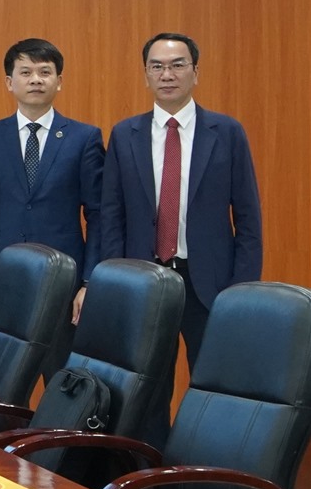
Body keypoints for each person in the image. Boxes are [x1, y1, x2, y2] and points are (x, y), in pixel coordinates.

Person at [103, 33, 262, 374]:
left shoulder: (227, 132)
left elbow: (248, 217)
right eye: (157, 67)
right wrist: (117, 279)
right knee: (145, 385)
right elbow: (112, 215)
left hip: (209, 284)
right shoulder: (125, 134)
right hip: (144, 278)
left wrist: (241, 290)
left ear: (195, 72)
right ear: (146, 75)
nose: (167, 75)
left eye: (177, 65)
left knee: (213, 381)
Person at [0, 38, 103, 372]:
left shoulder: (84, 137)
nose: (35, 80)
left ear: (59, 81)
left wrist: (90, 282)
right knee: (1, 380)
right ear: (9, 82)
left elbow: (98, 214)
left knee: (61, 380)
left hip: (64, 281)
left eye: (45, 72)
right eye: (26, 72)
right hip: (2, 277)